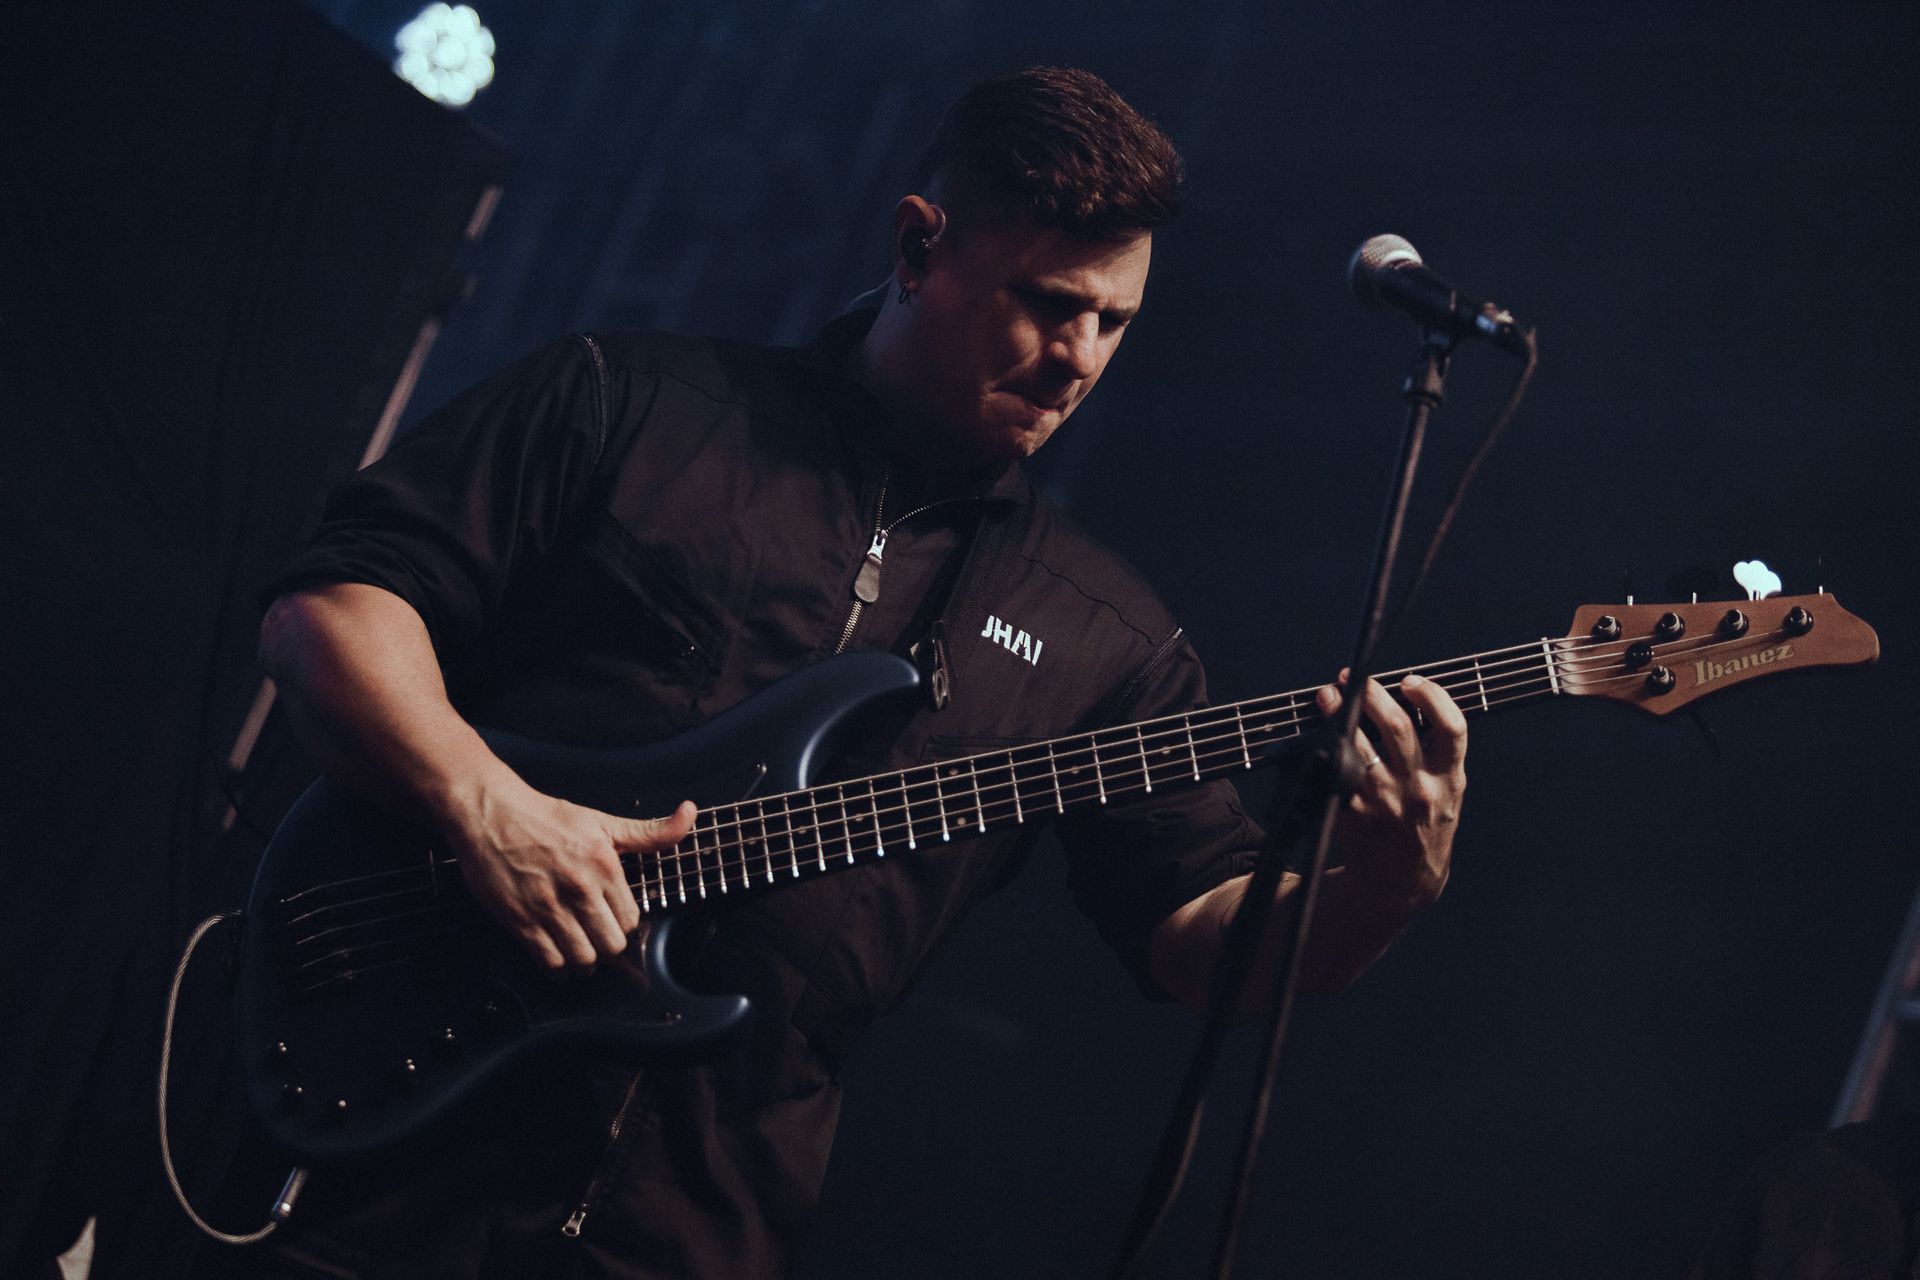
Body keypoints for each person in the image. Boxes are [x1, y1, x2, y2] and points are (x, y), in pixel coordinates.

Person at [248, 66, 1467, 1279]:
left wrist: (1382, 887)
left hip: (691, 1230)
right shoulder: (627, 401)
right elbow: (334, 611)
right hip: (378, 1156)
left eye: (1115, 321)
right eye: (1048, 303)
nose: (1078, 358)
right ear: (915, 243)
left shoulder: (1109, 637)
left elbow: (1204, 939)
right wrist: (484, 804)